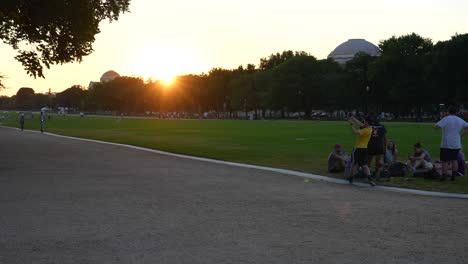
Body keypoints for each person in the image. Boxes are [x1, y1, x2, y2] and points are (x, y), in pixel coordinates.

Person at [435, 106, 468, 181]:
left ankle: (444, 175)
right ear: (456, 112)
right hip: (456, 143)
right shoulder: (460, 120)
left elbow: (437, 127)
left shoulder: (446, 118)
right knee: (454, 159)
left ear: (448, 111)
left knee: (444, 160)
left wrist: (440, 120)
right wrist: (461, 135)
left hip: (446, 143)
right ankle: (453, 175)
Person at [348, 115, 376, 186]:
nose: (364, 122)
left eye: (365, 121)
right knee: (365, 165)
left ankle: (351, 178)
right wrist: (353, 118)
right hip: (364, 149)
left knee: (354, 164)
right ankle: (370, 180)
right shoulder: (370, 128)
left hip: (358, 149)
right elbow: (361, 124)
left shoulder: (365, 130)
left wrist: (351, 124)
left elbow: (354, 132)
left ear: (367, 122)